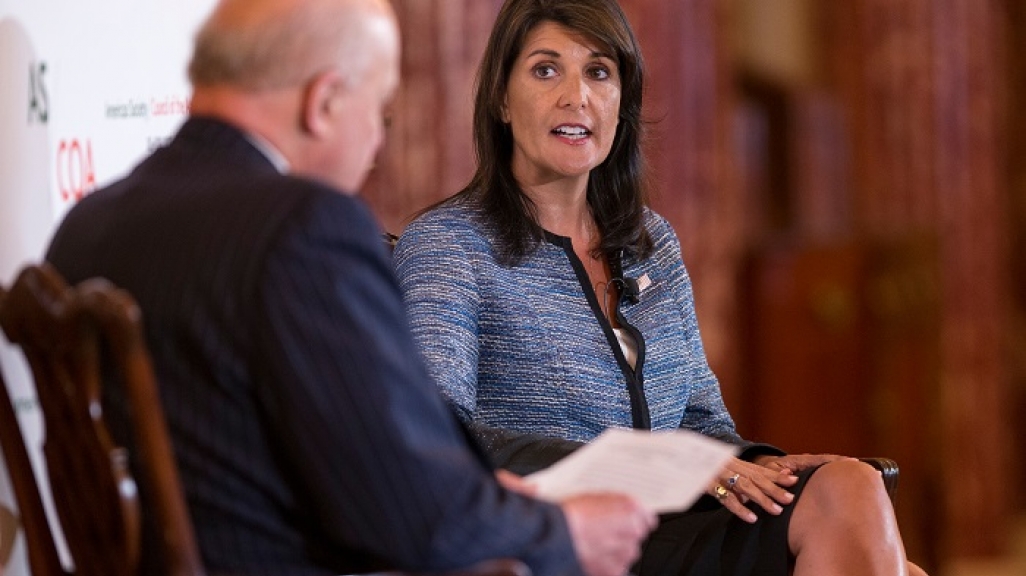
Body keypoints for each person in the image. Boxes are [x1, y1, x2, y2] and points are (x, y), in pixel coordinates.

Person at [43, 0, 657, 574]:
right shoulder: (302, 229)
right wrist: (562, 531)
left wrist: (473, 491)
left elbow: (297, 459)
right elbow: (409, 514)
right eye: (378, 112)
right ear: (325, 101)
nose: (377, 142)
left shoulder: (86, 225)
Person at [393, 0, 928, 575]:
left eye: (598, 72)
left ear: (622, 102)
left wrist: (758, 464)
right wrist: (646, 462)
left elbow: (701, 420)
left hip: (674, 525)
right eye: (545, 70)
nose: (576, 96)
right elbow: (437, 437)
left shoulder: (651, 243)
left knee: (850, 485)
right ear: (500, 98)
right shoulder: (450, 245)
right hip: (562, 537)